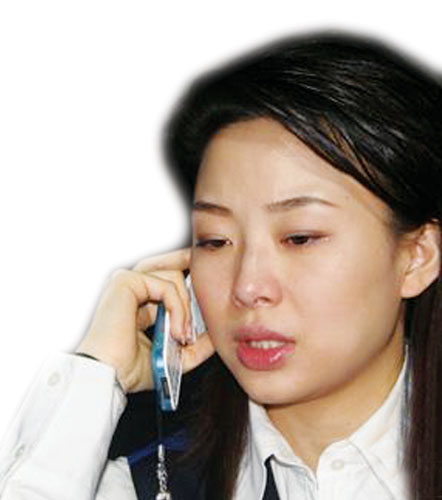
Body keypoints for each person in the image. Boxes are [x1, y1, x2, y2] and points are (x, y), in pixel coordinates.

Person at [0, 30, 441, 500]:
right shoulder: (145, 483)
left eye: (299, 237)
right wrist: (97, 372)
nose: (247, 286)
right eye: (215, 241)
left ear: (418, 256)